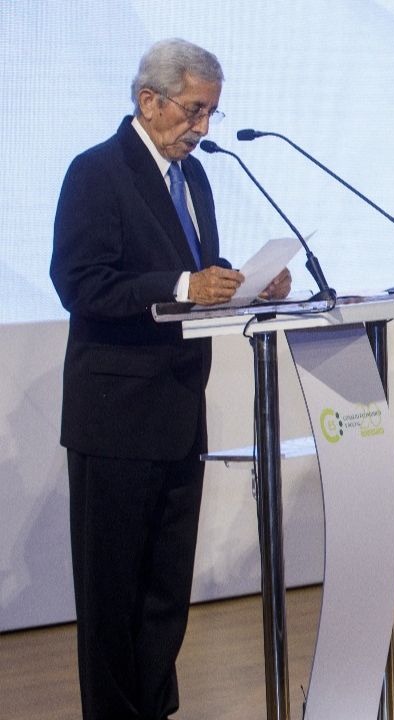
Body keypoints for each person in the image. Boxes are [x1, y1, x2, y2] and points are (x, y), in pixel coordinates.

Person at [49, 39, 289, 719]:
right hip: (116, 415)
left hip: (179, 410)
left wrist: (247, 284)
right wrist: (185, 284)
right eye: (193, 111)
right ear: (149, 101)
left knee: (164, 590)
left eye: (211, 112)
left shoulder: (194, 178)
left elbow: (191, 271)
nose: (203, 127)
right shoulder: (96, 171)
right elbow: (80, 283)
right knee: (113, 593)